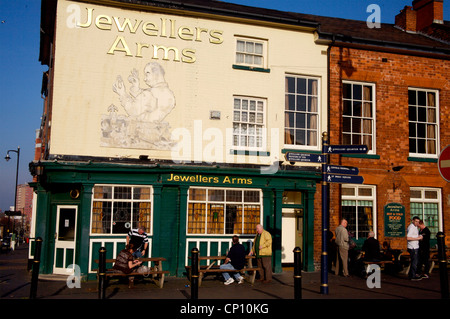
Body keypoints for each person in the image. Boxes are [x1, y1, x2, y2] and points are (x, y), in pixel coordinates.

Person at [406, 216, 423, 280]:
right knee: (414, 262)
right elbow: (408, 238)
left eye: (418, 222)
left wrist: (419, 236)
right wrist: (418, 238)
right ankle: (412, 276)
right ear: (412, 221)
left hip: (416, 246)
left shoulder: (416, 227)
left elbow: (414, 236)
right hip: (412, 247)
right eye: (416, 221)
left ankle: (413, 274)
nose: (417, 223)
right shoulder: (411, 227)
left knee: (415, 261)